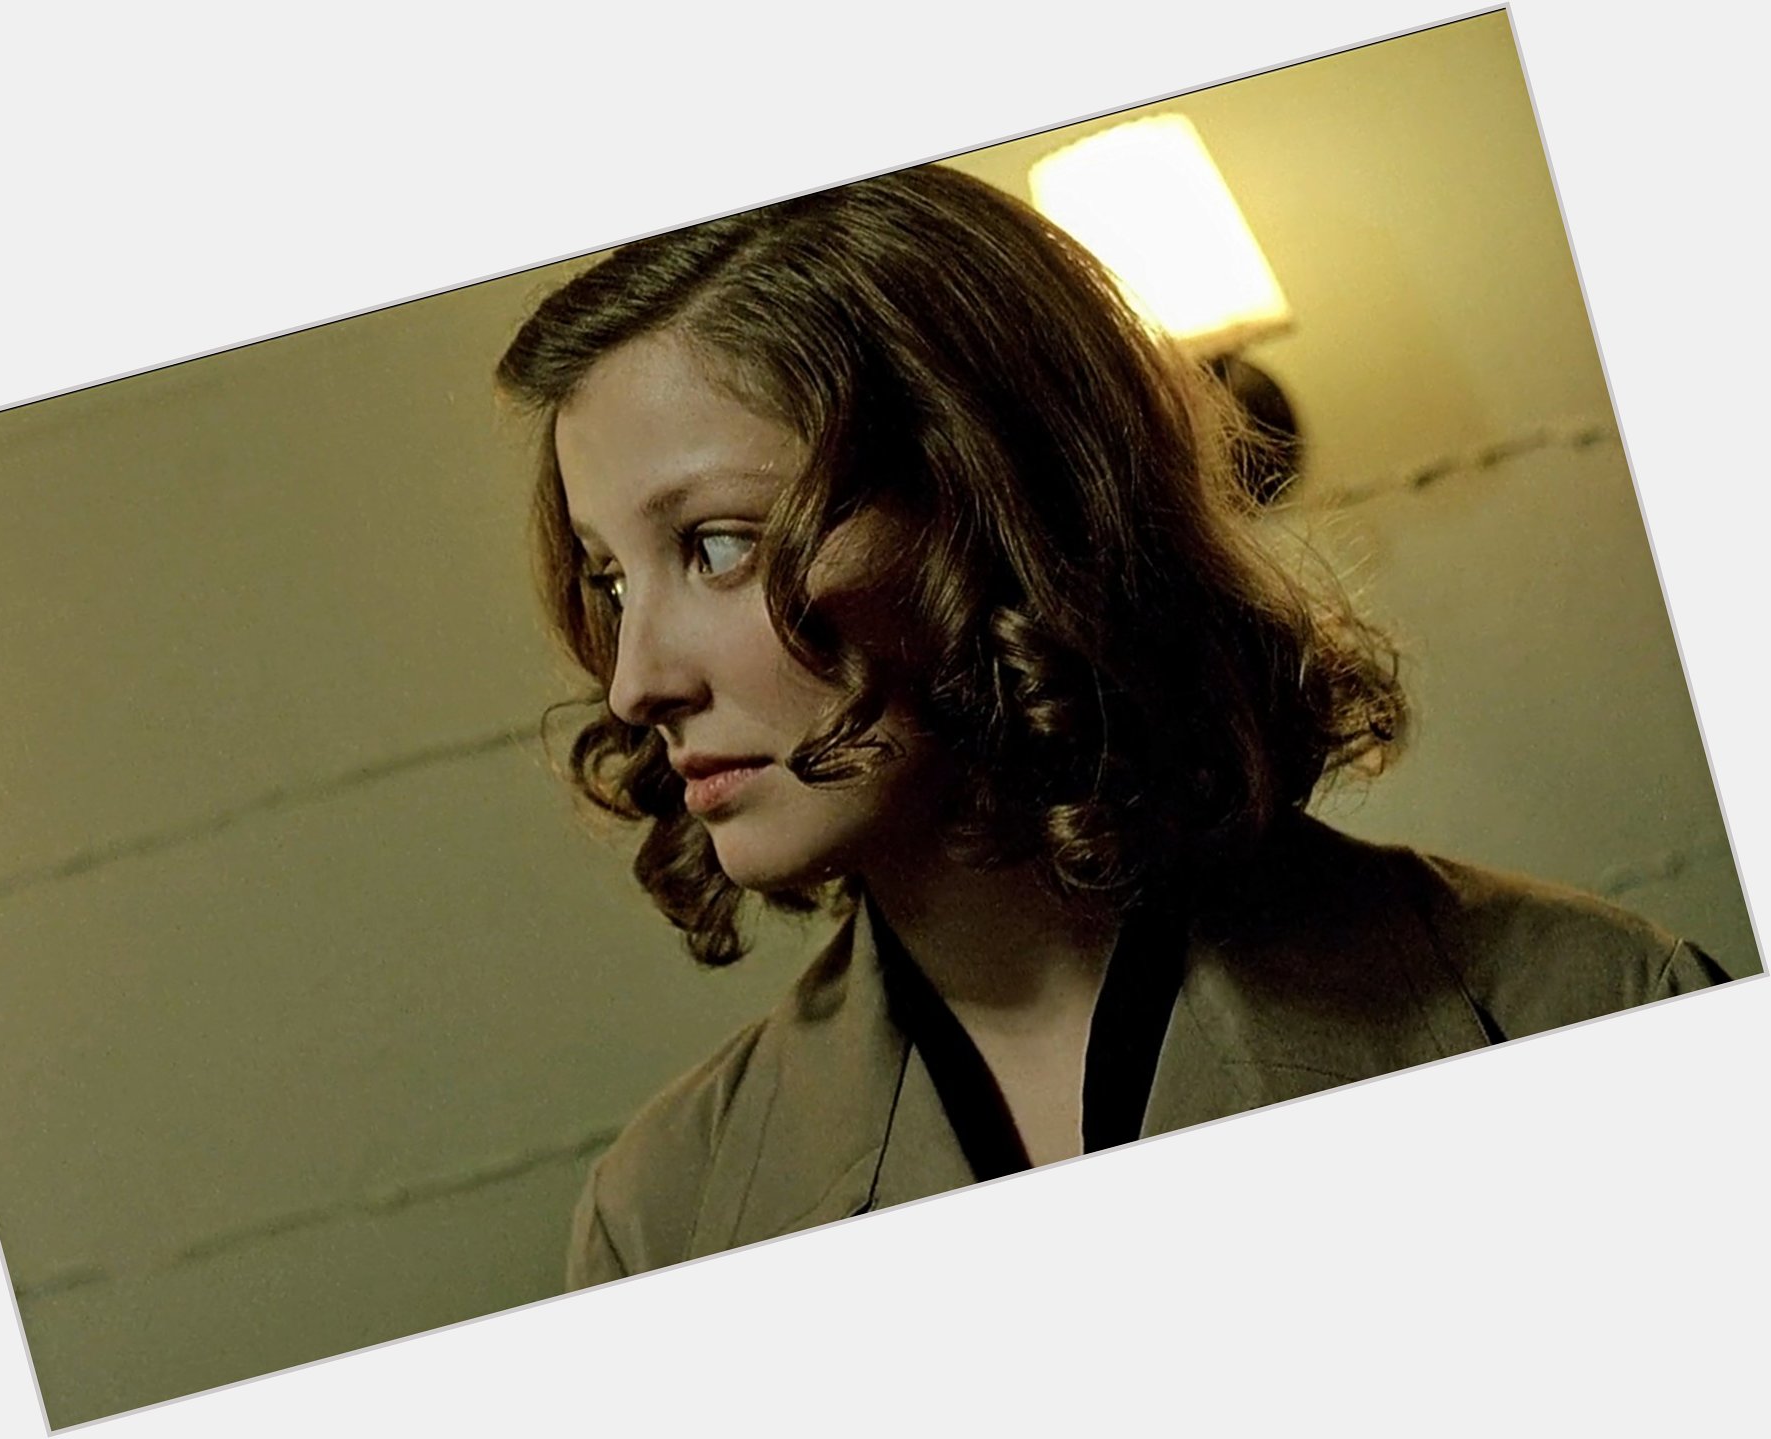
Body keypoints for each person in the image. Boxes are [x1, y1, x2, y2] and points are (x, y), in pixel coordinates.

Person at [493, 163, 1730, 1290]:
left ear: (997, 505)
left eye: (715, 546)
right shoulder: (662, 1216)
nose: (633, 683)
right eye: (610, 579)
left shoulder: (1589, 1005)